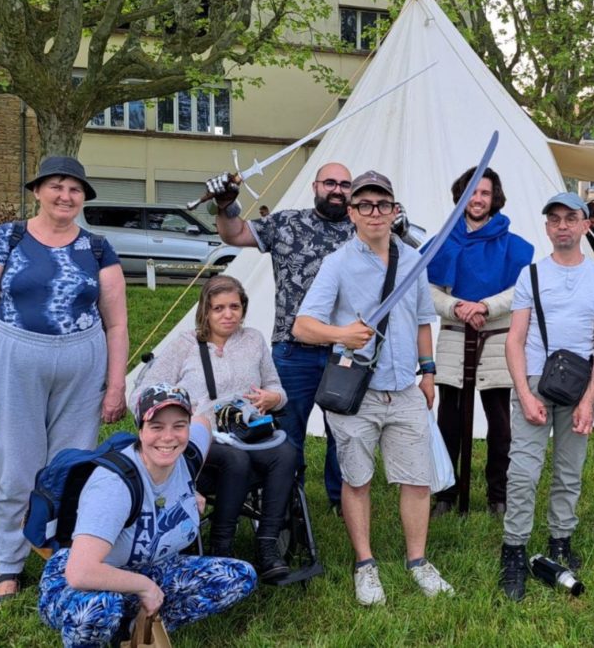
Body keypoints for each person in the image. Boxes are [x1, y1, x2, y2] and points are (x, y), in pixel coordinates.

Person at [0, 156, 129, 612]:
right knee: (18, 468)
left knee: (70, 469)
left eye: (75, 189)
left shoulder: (97, 248)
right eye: (56, 186)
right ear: (37, 191)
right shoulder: (6, 239)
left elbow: (116, 324)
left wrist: (116, 385)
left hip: (83, 359)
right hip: (15, 356)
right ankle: (9, 568)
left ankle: (62, 560)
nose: (65, 196)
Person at [293, 170, 454, 606]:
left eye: (382, 204)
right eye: (365, 205)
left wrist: (428, 373)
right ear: (352, 213)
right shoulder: (339, 263)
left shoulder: (413, 260)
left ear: (394, 210)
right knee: (357, 480)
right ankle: (365, 565)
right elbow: (302, 325)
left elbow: (423, 320)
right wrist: (341, 334)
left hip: (405, 389)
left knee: (416, 480)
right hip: (357, 392)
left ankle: (418, 561)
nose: (375, 212)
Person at [38, 384, 257, 647]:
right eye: (156, 426)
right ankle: (106, 628)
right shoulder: (114, 486)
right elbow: (80, 572)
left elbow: (203, 422)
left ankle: (133, 628)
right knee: (100, 607)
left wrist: (190, 489)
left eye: (179, 425)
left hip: (151, 566)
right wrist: (145, 586)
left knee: (239, 575)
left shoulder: (186, 458)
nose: (169, 437)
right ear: (140, 430)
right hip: (83, 581)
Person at [209, 164, 355, 513]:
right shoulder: (287, 223)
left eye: (345, 185)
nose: (337, 190)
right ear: (315, 185)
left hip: (345, 350)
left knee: (345, 432)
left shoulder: (362, 230)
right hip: (294, 350)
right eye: (330, 183)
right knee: (288, 432)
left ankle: (342, 501)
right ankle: (289, 498)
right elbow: (235, 234)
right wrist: (225, 204)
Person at [499, 192, 594, 601]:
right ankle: (514, 549)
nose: (563, 225)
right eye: (555, 219)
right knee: (523, 471)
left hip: (579, 386)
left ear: (587, 225)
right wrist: (524, 392)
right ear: (547, 227)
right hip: (535, 380)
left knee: (570, 470)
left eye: (571, 218)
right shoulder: (530, 274)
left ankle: (560, 540)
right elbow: (514, 340)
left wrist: (589, 400)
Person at [135, 275, 297, 581]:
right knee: (235, 461)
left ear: (243, 308)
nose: (228, 314)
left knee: (286, 454)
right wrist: (176, 410)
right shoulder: (185, 345)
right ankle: (221, 547)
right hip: (201, 436)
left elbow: (277, 387)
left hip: (246, 431)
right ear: (205, 312)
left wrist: (272, 397)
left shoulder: (253, 340)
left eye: (234, 306)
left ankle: (267, 545)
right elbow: (143, 392)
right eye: (218, 308)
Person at [426, 166, 533, 517]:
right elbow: (428, 290)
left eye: (484, 193)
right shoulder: (444, 241)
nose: (478, 199)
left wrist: (486, 305)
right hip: (456, 335)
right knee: (449, 421)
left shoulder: (513, 245)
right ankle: (446, 492)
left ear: (494, 198)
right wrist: (457, 306)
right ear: (462, 195)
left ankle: (497, 494)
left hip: (498, 336)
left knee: (500, 422)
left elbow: (520, 290)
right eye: (472, 192)